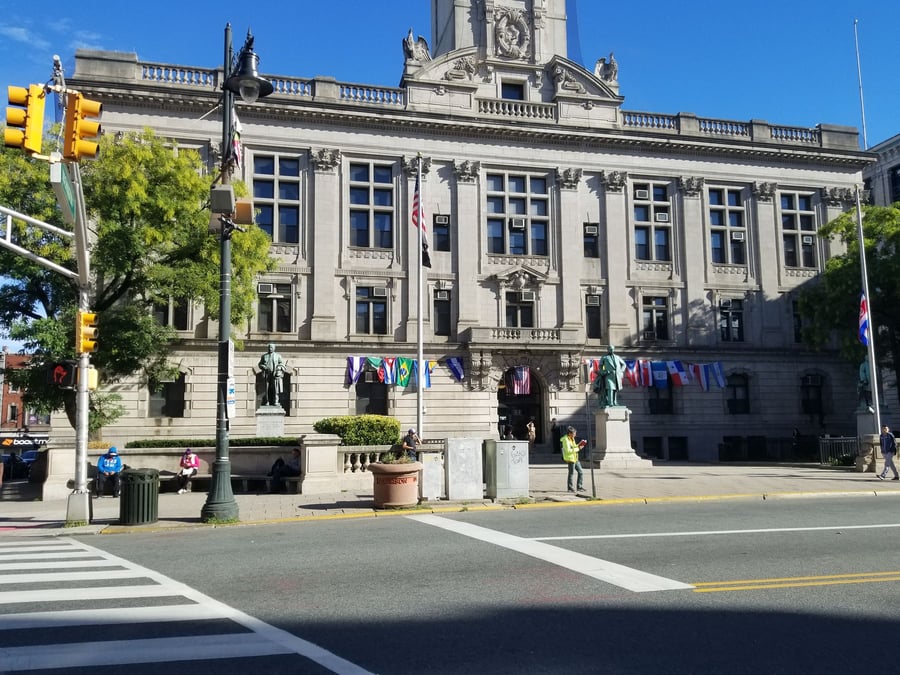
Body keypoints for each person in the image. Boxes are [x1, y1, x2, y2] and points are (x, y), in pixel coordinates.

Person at [561, 426, 587, 493]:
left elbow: (573, 446)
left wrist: (579, 444)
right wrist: (578, 449)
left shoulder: (571, 438)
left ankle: (579, 487)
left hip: (575, 458)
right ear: (570, 433)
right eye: (574, 433)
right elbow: (568, 451)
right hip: (570, 459)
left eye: (575, 433)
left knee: (581, 472)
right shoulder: (566, 440)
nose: (575, 434)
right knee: (571, 473)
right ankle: (570, 488)